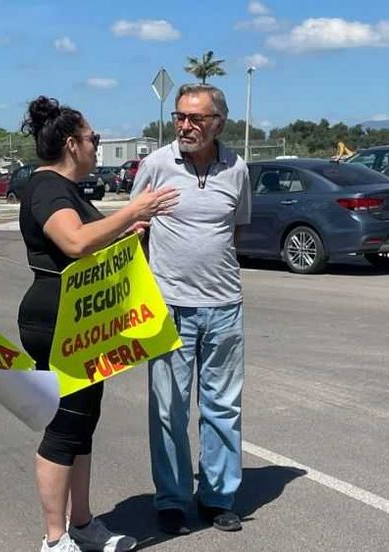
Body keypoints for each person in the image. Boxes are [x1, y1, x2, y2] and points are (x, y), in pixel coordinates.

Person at [18, 96, 179, 552]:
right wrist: (133, 210)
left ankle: (84, 523)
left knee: (83, 423)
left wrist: (127, 232)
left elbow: (91, 243)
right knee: (65, 426)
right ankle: (55, 538)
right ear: (72, 144)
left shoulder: (64, 189)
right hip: (58, 321)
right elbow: (72, 242)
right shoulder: (48, 187)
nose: (96, 146)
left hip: (84, 320)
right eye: (94, 139)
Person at [130, 83, 252, 535]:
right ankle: (172, 500)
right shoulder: (156, 165)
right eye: (180, 116)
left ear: (218, 122)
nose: (185, 125)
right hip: (168, 308)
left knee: (222, 406)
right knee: (168, 409)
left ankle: (218, 497)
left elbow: (233, 231)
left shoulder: (237, 168)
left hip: (224, 308)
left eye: (196, 118)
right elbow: (134, 231)